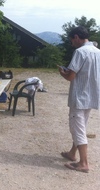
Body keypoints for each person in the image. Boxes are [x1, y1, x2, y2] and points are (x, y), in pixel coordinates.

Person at [58, 26, 100, 173]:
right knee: (81, 126)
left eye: (72, 40)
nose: (72, 44)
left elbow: (71, 76)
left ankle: (84, 163)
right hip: (92, 95)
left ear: (76, 37)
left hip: (80, 96)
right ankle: (72, 153)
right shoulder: (97, 51)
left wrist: (62, 73)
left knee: (77, 128)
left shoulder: (80, 52)